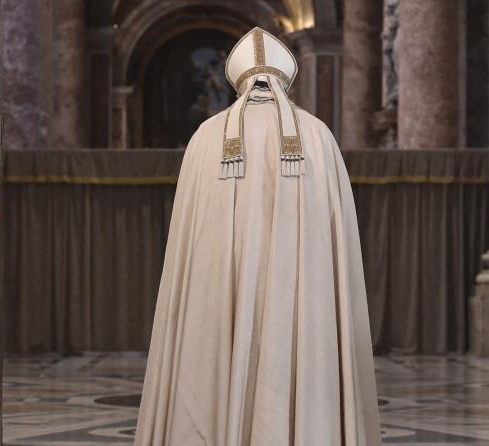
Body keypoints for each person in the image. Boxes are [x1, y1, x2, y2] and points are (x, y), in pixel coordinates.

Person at [133, 27, 382, 445]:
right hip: (301, 301)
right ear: (286, 77)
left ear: (237, 78)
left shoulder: (207, 138)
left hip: (219, 298)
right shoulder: (318, 136)